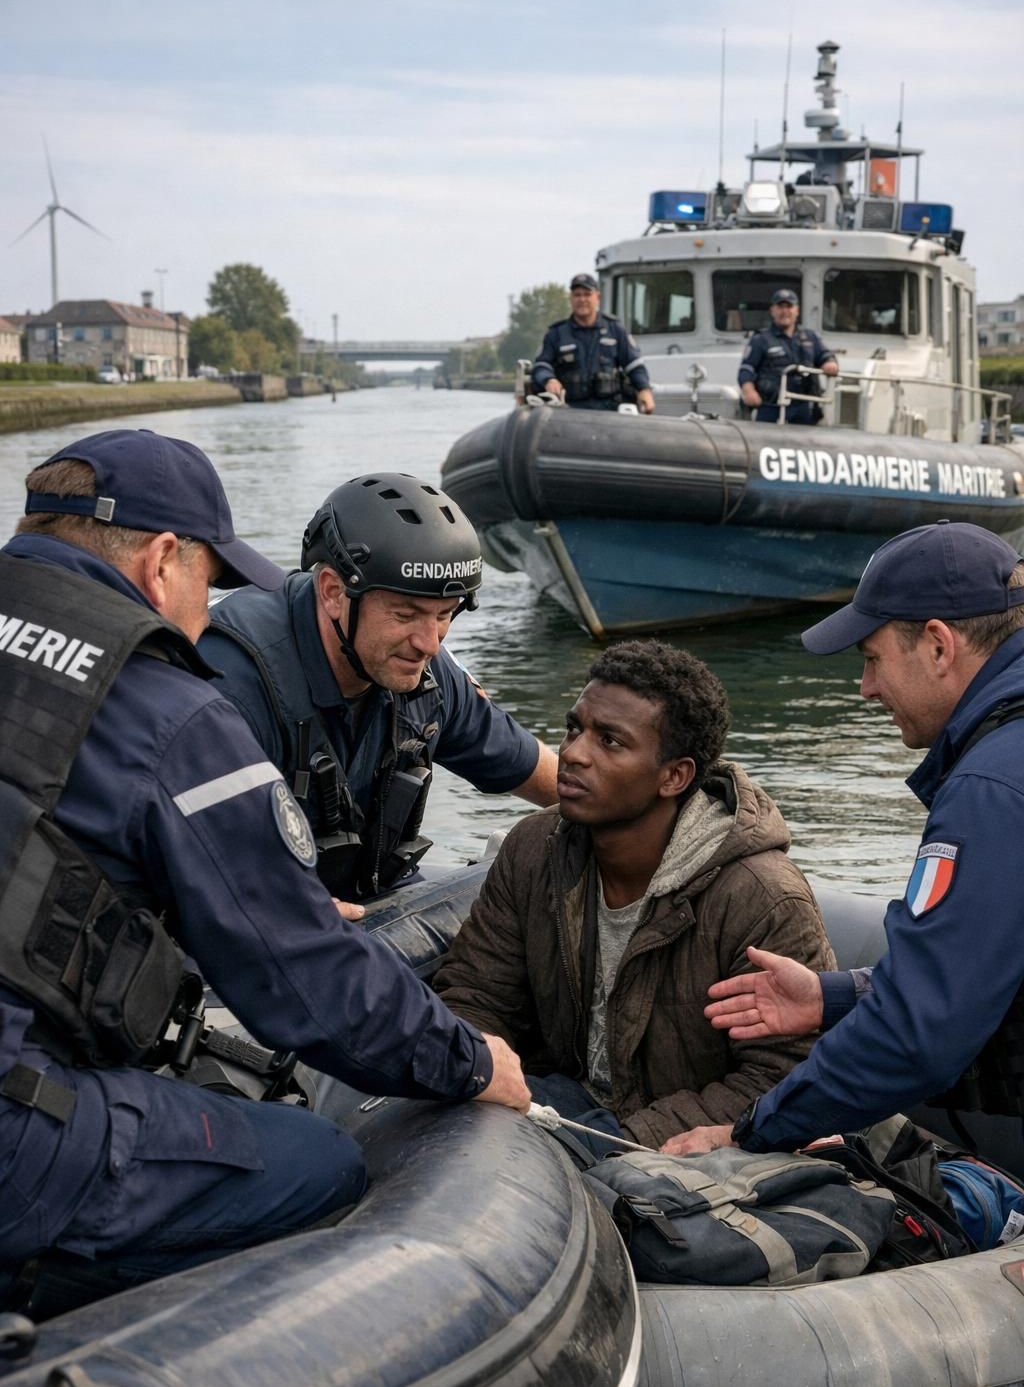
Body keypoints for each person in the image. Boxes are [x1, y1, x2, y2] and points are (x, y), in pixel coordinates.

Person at [0, 428, 529, 1308]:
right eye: (209, 580)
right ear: (163, 560)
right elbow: (301, 974)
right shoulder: (172, 710)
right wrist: (472, 1062)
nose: (206, 612)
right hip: (19, 1132)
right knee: (317, 1162)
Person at [661, 523, 1024, 1245]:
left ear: (939, 644)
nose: (865, 690)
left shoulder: (991, 786)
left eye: (872, 659)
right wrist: (831, 997)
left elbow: (916, 1035)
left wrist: (752, 1132)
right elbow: (981, 968)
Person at [433, 640, 832, 1150]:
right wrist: (482, 1074)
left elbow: (784, 1077)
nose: (573, 753)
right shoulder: (533, 849)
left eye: (610, 742)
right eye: (575, 728)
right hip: (558, 1104)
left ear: (674, 776)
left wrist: (618, 1139)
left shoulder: (763, 900)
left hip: (675, 1144)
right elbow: (475, 994)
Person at [199, 474, 558, 916]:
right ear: (333, 592)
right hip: (245, 914)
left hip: (366, 897)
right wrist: (286, 912)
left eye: (445, 615)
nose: (429, 642)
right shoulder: (231, 681)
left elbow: (534, 769)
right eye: (405, 614)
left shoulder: (425, 671)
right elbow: (186, 859)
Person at [531, 273, 655, 413]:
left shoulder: (615, 329)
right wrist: (549, 380)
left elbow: (634, 365)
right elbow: (541, 365)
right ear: (570, 298)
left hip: (610, 411)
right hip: (568, 411)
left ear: (598, 297)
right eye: (577, 295)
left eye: (587, 294)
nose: (582, 299)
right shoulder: (556, 333)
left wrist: (644, 389)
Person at [738, 288, 838, 424]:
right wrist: (749, 391)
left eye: (789, 307)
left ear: (797, 310)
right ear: (772, 310)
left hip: (804, 407)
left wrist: (830, 363)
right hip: (771, 407)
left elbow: (825, 355)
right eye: (780, 307)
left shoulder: (810, 337)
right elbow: (746, 369)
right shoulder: (760, 340)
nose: (785, 311)